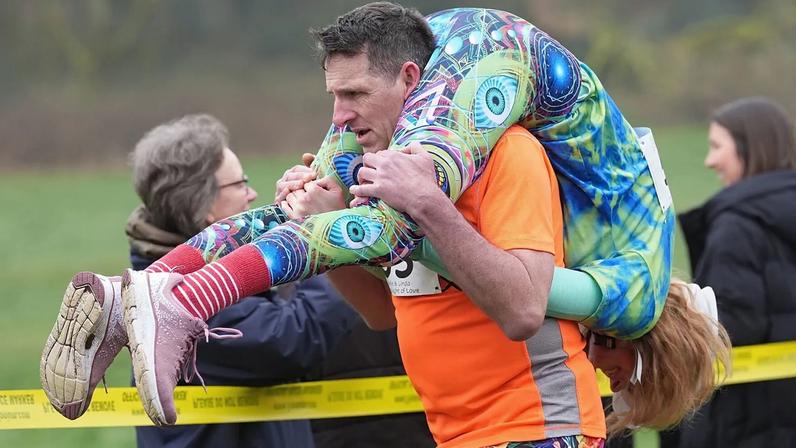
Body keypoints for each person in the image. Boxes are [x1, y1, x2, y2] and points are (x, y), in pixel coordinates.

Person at [42, 3, 673, 429]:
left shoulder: (512, 154)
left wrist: (410, 211)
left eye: (354, 95)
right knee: (306, 202)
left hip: (531, 430)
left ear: (407, 82)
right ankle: (151, 288)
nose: (339, 116)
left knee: (394, 211)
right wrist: (326, 211)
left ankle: (184, 298)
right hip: (464, 431)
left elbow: (520, 305)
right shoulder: (391, 133)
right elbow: (380, 309)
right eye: (335, 96)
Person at [42, 114, 360, 447]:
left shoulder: (180, 267)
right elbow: (296, 337)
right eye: (240, 183)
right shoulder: (201, 304)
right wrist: (321, 235)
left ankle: (117, 311)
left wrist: (294, 224)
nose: (252, 193)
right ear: (204, 203)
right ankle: (119, 312)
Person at [676, 97, 796, 447]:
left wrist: (681, 309)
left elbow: (730, 327)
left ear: (750, 148)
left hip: (745, 422)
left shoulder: (737, 227)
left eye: (717, 147)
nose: (709, 160)